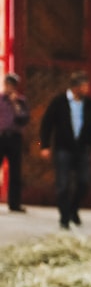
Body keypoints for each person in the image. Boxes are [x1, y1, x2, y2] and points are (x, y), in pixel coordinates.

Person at [39, 70, 91, 230]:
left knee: (84, 182)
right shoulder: (59, 102)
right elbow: (47, 124)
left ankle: (73, 208)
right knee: (63, 184)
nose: (87, 89)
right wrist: (45, 145)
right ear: (75, 87)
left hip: (82, 148)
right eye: (84, 86)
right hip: (63, 149)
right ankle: (64, 217)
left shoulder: (89, 104)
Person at [0, 73, 29, 212]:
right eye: (8, 84)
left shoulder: (21, 101)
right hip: (1, 136)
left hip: (15, 138)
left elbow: (23, 119)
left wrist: (15, 104)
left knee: (15, 171)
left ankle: (14, 204)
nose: (9, 87)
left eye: (12, 85)